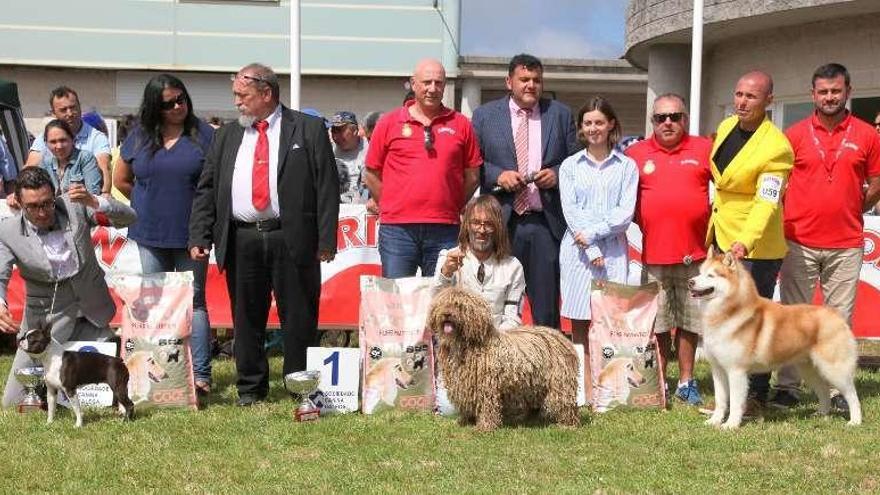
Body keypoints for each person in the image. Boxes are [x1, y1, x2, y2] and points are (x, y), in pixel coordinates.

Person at [188, 63, 339, 406]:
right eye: (235, 96)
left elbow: (327, 187)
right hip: (242, 238)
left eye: (242, 96)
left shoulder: (309, 128)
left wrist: (326, 239)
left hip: (293, 237)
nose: (237, 102)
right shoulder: (226, 135)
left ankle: (299, 386)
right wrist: (200, 234)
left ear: (266, 93)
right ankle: (251, 388)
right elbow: (207, 188)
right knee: (246, 317)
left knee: (299, 316)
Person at [771, 63, 880, 410]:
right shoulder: (794, 134)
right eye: (823, 92)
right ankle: (787, 387)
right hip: (797, 240)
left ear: (848, 91)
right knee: (791, 318)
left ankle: (836, 390)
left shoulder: (867, 134)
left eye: (836, 91)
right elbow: (779, 183)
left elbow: (877, 181)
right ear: (812, 95)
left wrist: (851, 206)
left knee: (838, 321)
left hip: (846, 243)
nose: (829, 97)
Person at [0, 167, 137, 408]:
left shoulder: (76, 206)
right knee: (14, 402)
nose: (42, 212)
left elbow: (129, 217)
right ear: (19, 203)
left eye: (47, 203)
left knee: (124, 387)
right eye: (33, 206)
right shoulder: (8, 231)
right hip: (45, 324)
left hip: (93, 314)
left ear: (55, 196)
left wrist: (96, 201)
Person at [113, 74, 216, 395]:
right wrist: (148, 204)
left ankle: (200, 375)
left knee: (194, 303)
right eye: (168, 103)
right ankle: (158, 373)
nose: (177, 107)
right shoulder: (139, 135)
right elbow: (121, 179)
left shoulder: (205, 135)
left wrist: (203, 228)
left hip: (193, 235)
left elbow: (214, 187)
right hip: (149, 234)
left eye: (181, 99)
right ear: (154, 107)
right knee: (154, 305)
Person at [472, 53, 580, 329]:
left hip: (544, 223)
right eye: (524, 79)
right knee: (493, 305)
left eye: (537, 80)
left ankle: (548, 368)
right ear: (509, 82)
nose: (531, 85)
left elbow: (575, 162)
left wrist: (556, 174)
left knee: (545, 310)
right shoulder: (484, 115)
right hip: (499, 223)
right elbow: (473, 164)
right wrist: (499, 175)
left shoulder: (560, 114)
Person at [708, 70, 793, 412]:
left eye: (751, 97)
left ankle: (756, 394)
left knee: (753, 321)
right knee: (727, 317)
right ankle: (730, 392)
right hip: (721, 232)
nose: (742, 102)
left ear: (769, 101)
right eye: (739, 94)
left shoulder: (777, 148)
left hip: (755, 245)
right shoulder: (727, 127)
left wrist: (745, 241)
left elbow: (766, 202)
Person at [626, 93, 712, 405]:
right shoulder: (635, 154)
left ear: (685, 119)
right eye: (661, 117)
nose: (668, 122)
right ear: (652, 122)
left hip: (696, 255)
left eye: (675, 116)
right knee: (658, 324)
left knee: (690, 322)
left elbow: (727, 192)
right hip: (654, 255)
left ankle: (687, 382)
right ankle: (660, 382)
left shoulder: (704, 148)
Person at [364, 58, 482, 278]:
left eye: (438, 83)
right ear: (413, 83)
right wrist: (390, 204)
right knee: (398, 302)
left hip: (445, 229)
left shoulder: (461, 124)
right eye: (426, 82)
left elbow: (473, 175)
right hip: (398, 231)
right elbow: (371, 173)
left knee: (442, 302)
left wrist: (451, 204)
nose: (432, 89)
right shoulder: (388, 123)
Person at [559, 96, 638, 398]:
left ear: (611, 125)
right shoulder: (570, 166)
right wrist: (590, 246)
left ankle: (611, 388)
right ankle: (583, 388)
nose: (593, 128)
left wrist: (594, 234)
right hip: (578, 253)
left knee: (610, 319)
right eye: (588, 123)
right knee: (579, 320)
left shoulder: (626, 166)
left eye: (599, 122)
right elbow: (571, 211)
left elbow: (624, 213)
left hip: (614, 252)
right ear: (581, 128)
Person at [433, 194, 526, 330]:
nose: (481, 230)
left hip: (498, 342)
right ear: (466, 225)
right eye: (476, 223)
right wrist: (445, 274)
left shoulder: (513, 267)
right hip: (458, 342)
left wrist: (491, 345)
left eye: (488, 224)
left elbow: (513, 319)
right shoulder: (448, 258)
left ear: (498, 228)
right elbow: (434, 307)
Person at [25, 86, 112, 194]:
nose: (70, 113)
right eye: (63, 110)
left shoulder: (97, 138)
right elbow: (30, 170)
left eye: (73, 107)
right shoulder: (44, 137)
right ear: (53, 113)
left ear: (80, 107)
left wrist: (104, 197)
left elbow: (105, 168)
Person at [37, 120, 103, 196]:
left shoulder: (85, 158)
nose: (59, 146)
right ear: (46, 143)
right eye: (53, 142)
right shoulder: (45, 163)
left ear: (73, 139)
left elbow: (93, 193)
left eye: (63, 140)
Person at [330, 111, 368, 203]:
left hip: (362, 211)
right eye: (333, 131)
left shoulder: (370, 148)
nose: (335, 136)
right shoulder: (328, 150)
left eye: (340, 131)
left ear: (355, 131)